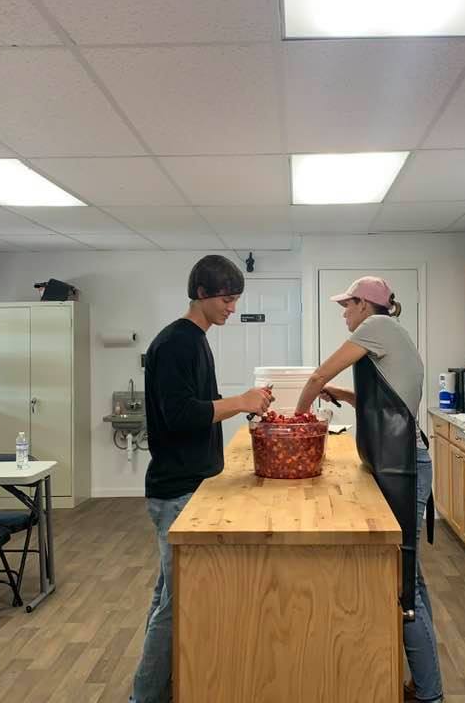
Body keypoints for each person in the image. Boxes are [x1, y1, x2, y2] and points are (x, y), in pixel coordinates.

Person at [130, 255, 274, 703]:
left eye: (235, 300)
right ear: (201, 295)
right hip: (177, 491)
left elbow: (204, 406)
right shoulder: (178, 343)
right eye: (227, 299)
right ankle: (145, 697)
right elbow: (179, 416)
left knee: (167, 598)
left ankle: (157, 689)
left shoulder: (197, 340)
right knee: (177, 607)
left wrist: (244, 407)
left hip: (191, 486)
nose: (232, 308)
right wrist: (242, 400)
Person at [294, 276, 443, 703]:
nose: (344, 313)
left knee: (402, 585)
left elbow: (321, 370)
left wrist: (298, 417)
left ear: (365, 305)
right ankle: (425, 681)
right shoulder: (392, 335)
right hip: (400, 463)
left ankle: (430, 695)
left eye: (348, 305)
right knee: (410, 574)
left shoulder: (374, 329)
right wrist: (334, 392)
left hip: (403, 467)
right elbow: (377, 402)